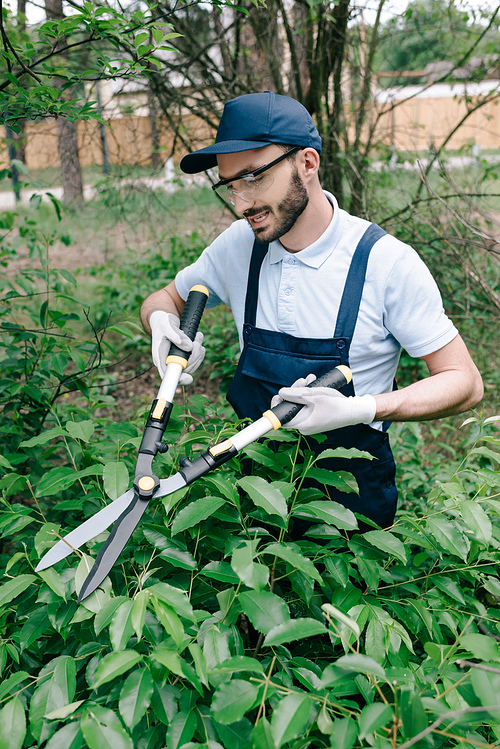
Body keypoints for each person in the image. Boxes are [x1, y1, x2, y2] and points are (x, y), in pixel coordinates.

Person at [140, 91, 483, 531]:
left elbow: (465, 383)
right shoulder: (238, 247)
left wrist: (360, 409)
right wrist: (159, 322)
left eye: (254, 177)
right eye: (230, 185)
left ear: (306, 163)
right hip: (252, 486)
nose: (241, 203)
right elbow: (165, 297)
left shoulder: (385, 263)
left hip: (350, 500)